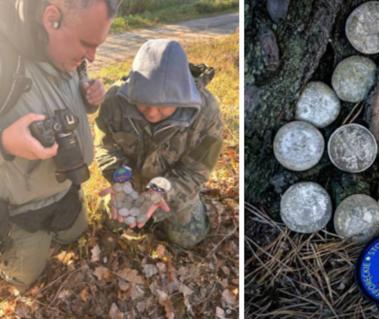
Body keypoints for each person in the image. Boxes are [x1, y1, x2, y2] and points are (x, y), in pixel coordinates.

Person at [0, 0, 119, 291]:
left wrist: (89, 100)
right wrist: (4, 142)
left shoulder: (65, 53)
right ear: (51, 17)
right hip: (20, 212)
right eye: (86, 44)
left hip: (68, 190)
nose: (92, 58)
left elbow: (64, 95)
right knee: (22, 279)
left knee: (75, 236)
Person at [95, 39, 223, 249]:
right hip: (130, 183)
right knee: (110, 222)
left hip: (172, 186)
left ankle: (181, 211)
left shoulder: (206, 111)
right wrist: (121, 179)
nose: (152, 113)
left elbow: (195, 171)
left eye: (164, 106)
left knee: (188, 238)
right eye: (143, 103)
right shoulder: (115, 100)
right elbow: (105, 146)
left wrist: (162, 192)